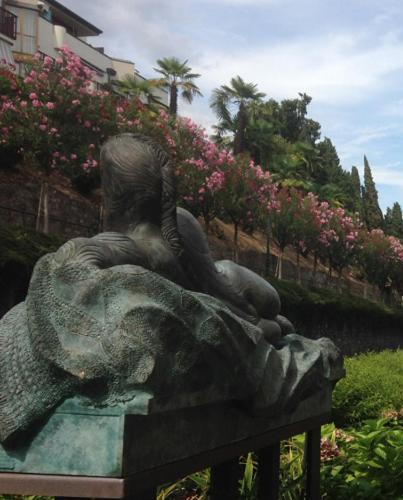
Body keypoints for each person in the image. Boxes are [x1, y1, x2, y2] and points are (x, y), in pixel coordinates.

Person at [0, 134, 342, 445]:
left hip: (228, 305)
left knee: (259, 310)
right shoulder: (176, 231)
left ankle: (267, 327)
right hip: (235, 309)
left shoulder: (125, 243)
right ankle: (268, 328)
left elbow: (71, 263)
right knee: (268, 320)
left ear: (113, 193)